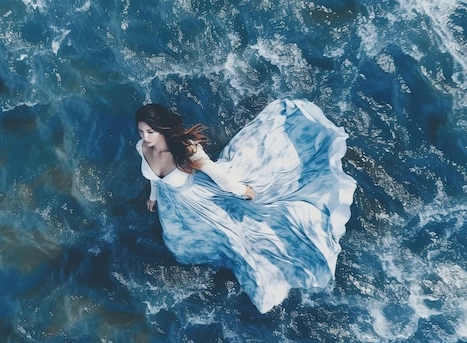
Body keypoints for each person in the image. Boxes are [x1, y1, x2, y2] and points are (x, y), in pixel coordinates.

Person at [135, 98, 357, 313]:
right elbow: (153, 178)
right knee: (178, 244)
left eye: (150, 132)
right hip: (174, 203)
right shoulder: (142, 148)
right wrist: (153, 196)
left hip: (202, 199)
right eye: (141, 132)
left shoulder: (186, 149)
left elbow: (217, 174)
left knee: (237, 236)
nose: (145, 137)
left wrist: (243, 191)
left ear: (162, 128)